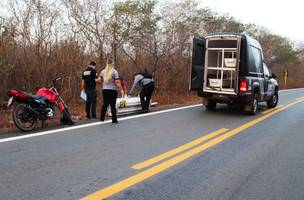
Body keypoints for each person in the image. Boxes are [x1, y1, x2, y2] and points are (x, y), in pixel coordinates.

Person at [98, 59, 124, 123]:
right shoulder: (114, 72)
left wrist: (95, 79)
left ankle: (102, 118)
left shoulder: (103, 71)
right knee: (112, 105)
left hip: (105, 90)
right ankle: (114, 120)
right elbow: (117, 82)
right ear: (112, 64)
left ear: (107, 64)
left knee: (105, 104)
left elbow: (99, 81)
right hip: (113, 90)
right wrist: (121, 90)